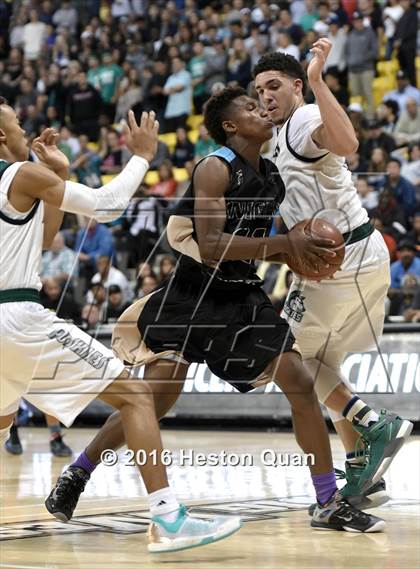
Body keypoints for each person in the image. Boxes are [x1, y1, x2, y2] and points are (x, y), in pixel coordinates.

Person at [48, 87, 387, 533]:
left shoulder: (271, 175)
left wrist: (298, 256)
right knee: (154, 400)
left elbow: (257, 245)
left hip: (241, 294)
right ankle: (79, 470)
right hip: (192, 295)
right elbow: (209, 245)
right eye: (249, 106)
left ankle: (326, 500)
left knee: (301, 382)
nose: (261, 108)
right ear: (230, 126)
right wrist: (286, 244)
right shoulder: (213, 167)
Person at [0, 101, 240, 553]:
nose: (23, 129)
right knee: (136, 395)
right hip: (17, 316)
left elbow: (44, 239)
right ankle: (168, 517)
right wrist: (142, 155)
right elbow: (106, 207)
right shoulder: (17, 175)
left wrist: (61, 172)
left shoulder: (21, 182)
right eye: (16, 122)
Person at [253, 45, 412, 511]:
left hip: (336, 263)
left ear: (296, 86)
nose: (266, 97)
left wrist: (320, 81)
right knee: (326, 368)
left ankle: (373, 422)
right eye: (260, 90)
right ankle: (365, 472)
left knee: (292, 362)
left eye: (274, 86)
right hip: (360, 253)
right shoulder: (281, 135)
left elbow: (346, 144)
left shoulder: (301, 121)